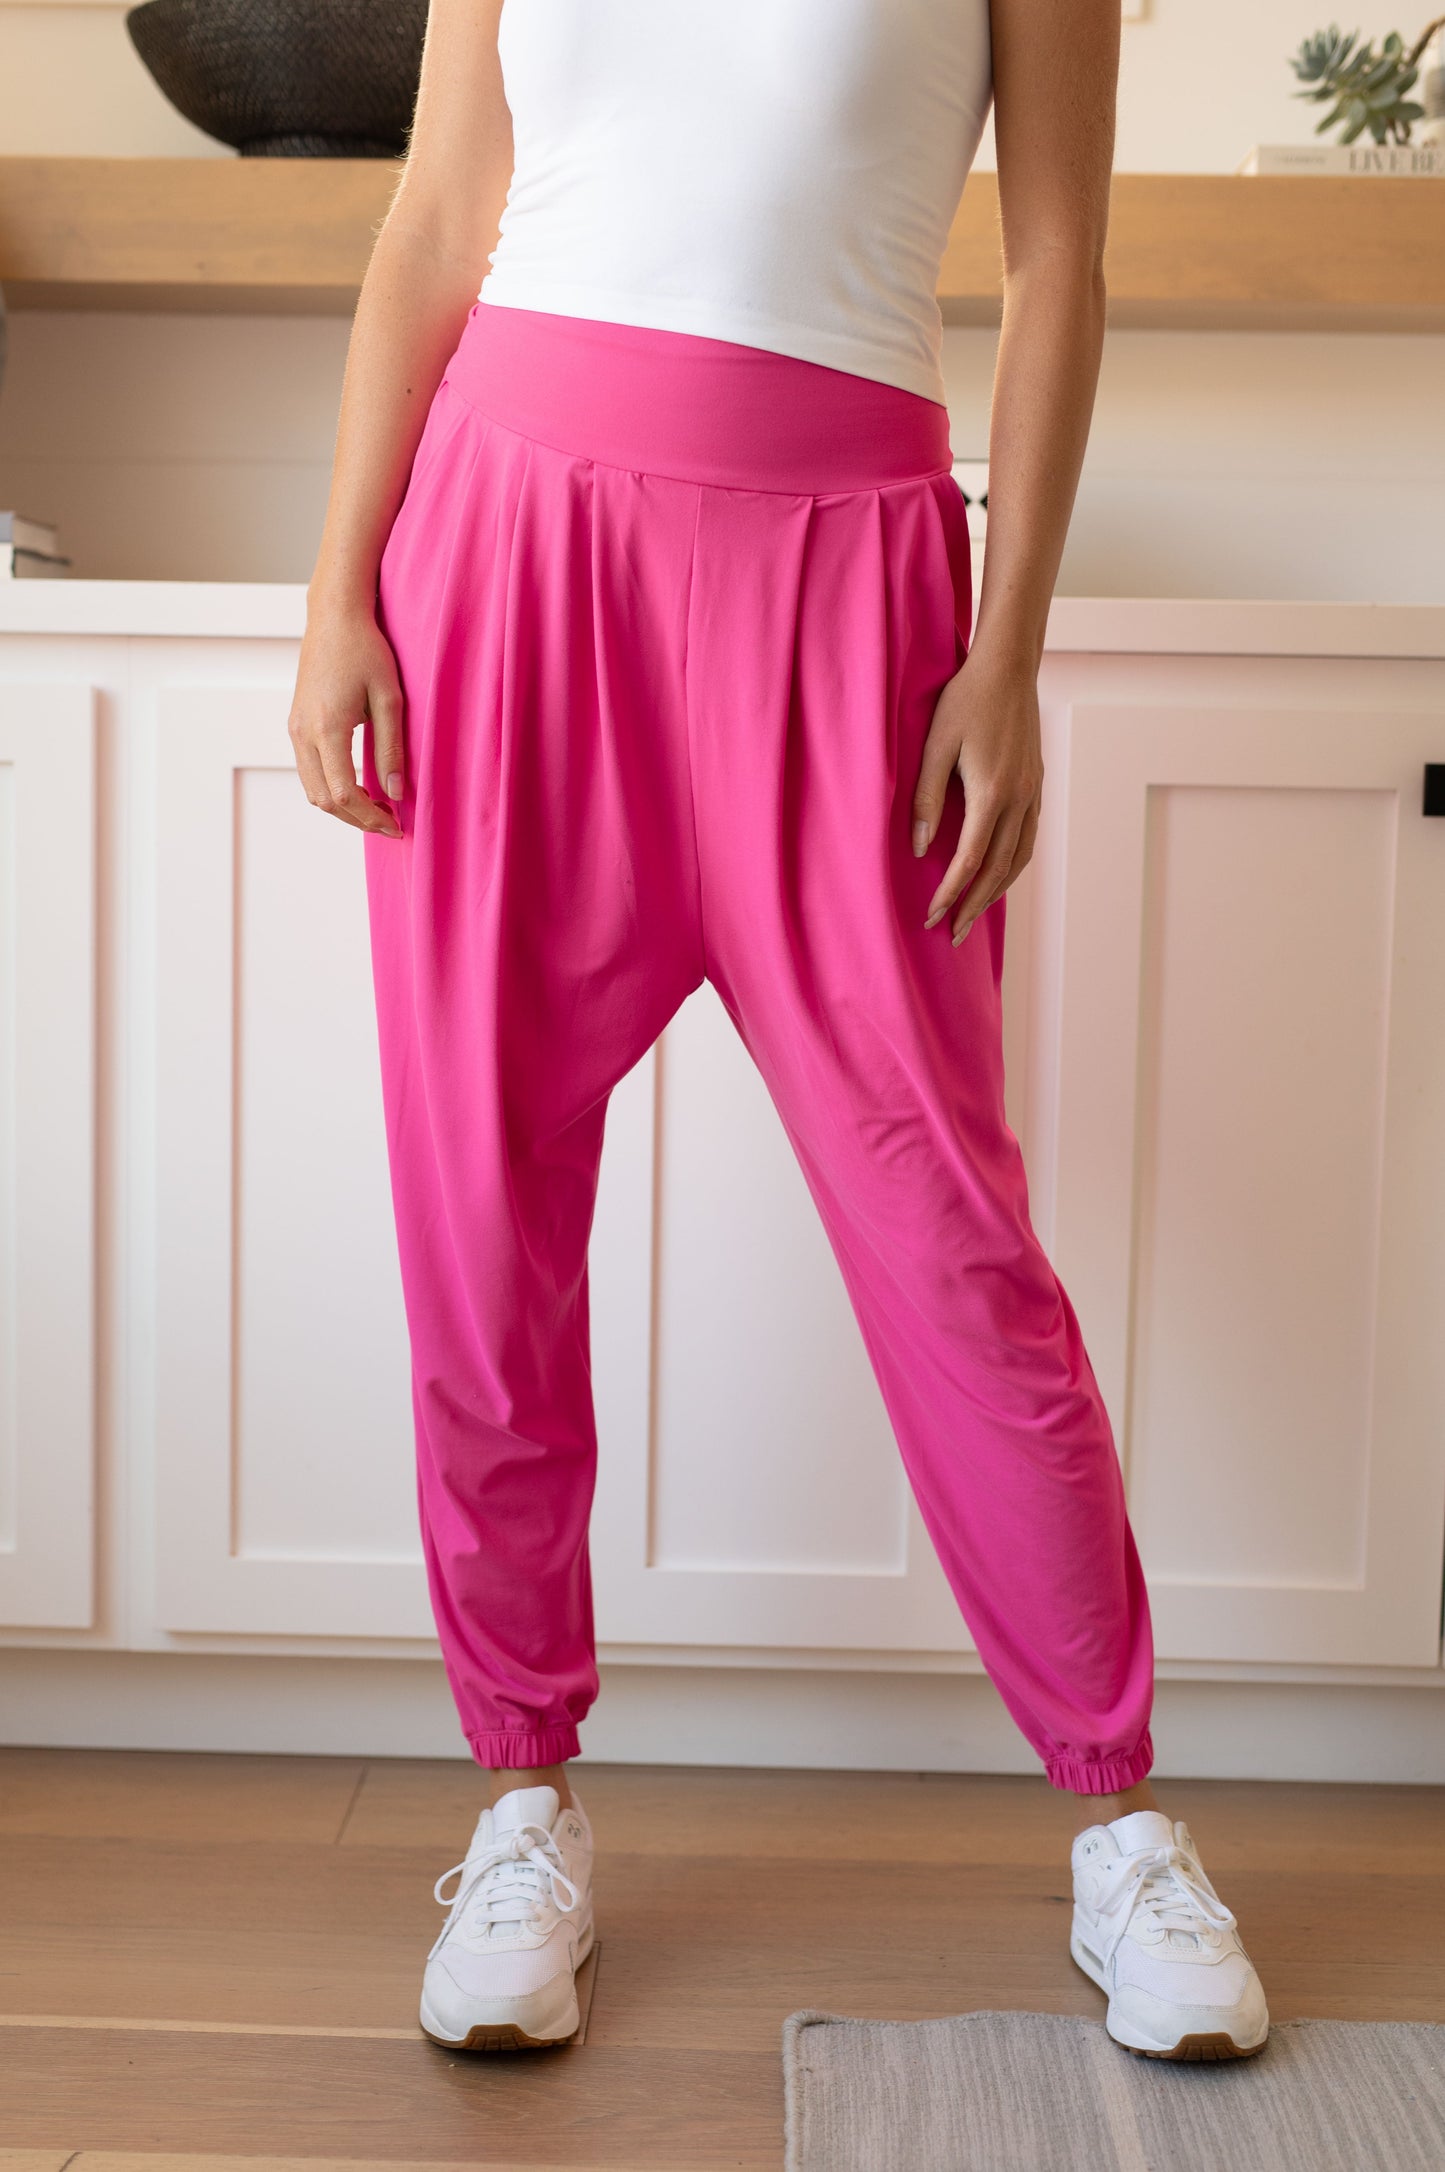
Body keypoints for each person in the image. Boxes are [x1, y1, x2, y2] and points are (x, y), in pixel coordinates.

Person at [288, 0, 1269, 2067]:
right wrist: (337, 591)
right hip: (507, 556)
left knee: (950, 1242)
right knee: (481, 1218)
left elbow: (1062, 264)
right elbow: (436, 216)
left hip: (851, 593)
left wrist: (1005, 653)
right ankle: (522, 1801)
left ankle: (1119, 1824)